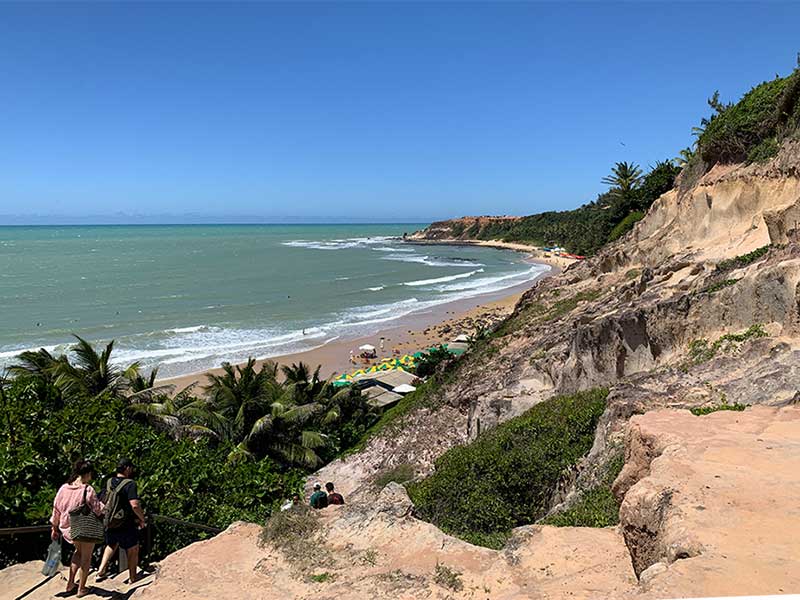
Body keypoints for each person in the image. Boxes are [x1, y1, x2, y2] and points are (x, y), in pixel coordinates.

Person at [50, 459, 104, 598]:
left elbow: (56, 509)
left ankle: (70, 583)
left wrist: (54, 527)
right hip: (84, 527)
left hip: (68, 528)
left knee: (78, 552)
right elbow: (97, 510)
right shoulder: (87, 489)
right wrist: (105, 506)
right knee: (86, 557)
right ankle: (82, 588)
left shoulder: (63, 488)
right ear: (88, 473)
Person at [96, 458, 146, 584]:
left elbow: (101, 499)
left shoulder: (109, 482)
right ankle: (133, 577)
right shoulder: (130, 484)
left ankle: (101, 569)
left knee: (111, 544)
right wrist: (142, 518)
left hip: (110, 521)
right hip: (126, 522)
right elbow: (134, 505)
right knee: (133, 548)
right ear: (127, 468)